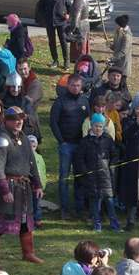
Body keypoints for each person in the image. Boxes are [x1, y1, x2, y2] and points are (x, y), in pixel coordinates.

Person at [0, 106, 44, 266]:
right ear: (7, 121)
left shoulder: (24, 138)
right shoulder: (1, 139)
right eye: (14, 119)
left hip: (24, 187)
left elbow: (31, 162)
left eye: (20, 118)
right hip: (8, 185)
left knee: (26, 222)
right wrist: (5, 189)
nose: (18, 122)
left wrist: (37, 184)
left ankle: (28, 253)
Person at [50, 74, 90, 218]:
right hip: (66, 145)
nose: (75, 88)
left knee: (80, 177)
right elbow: (53, 122)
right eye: (73, 85)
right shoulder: (60, 102)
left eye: (78, 85)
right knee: (64, 178)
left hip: (81, 145)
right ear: (68, 85)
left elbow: (89, 121)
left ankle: (80, 208)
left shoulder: (85, 101)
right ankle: (65, 209)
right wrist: (61, 141)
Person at [36, 0, 70, 68]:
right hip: (50, 21)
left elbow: (69, 6)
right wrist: (44, 18)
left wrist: (68, 14)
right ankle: (55, 60)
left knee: (63, 40)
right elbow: (40, 7)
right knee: (52, 41)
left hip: (61, 21)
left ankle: (66, 61)